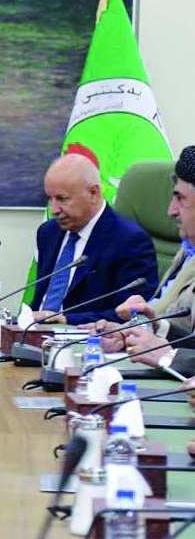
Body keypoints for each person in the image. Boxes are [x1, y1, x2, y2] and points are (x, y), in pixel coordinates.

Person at [92, 147, 195, 371]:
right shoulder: (187, 251)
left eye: (180, 198)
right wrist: (141, 330)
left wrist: (169, 357)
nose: (170, 211)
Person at [28, 153, 158, 326]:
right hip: (33, 337)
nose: (54, 209)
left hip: (87, 344)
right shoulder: (48, 232)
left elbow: (132, 316)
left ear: (94, 193)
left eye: (62, 199)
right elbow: (40, 301)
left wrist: (66, 320)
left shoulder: (130, 241)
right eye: (49, 198)